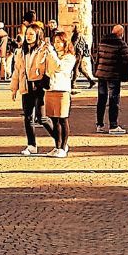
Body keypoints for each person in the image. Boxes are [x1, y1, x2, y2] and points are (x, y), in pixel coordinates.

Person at [11, 23, 50, 155]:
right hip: (26, 85)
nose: (28, 37)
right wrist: (14, 88)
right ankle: (31, 144)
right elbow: (17, 70)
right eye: (27, 34)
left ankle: (60, 141)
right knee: (28, 117)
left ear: (37, 35)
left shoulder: (43, 49)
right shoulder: (21, 51)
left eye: (31, 34)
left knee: (41, 118)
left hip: (39, 85)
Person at [93, 24, 128, 134]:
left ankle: (99, 124)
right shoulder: (120, 44)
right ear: (121, 33)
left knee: (101, 99)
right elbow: (126, 60)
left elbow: (98, 58)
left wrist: (97, 70)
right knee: (113, 99)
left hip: (102, 73)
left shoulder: (103, 42)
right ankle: (113, 125)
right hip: (114, 74)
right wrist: (125, 75)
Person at [45, 30, 76, 158]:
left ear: (65, 43)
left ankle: (63, 146)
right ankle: (57, 146)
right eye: (55, 42)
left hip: (62, 90)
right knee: (54, 119)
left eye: (59, 42)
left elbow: (59, 67)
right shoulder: (52, 55)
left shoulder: (69, 57)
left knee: (62, 119)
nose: (56, 44)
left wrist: (51, 53)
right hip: (51, 88)